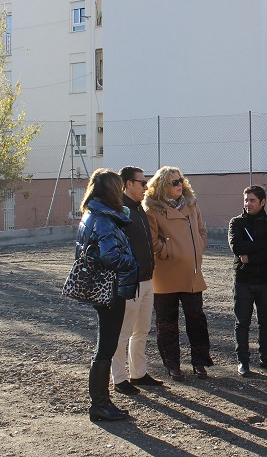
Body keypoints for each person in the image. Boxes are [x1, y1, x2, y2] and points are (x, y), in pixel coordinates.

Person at [75, 168, 139, 421]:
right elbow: (110, 257)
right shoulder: (103, 219)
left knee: (106, 346)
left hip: (106, 288)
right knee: (106, 348)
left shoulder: (93, 215)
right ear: (113, 190)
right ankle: (99, 404)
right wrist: (132, 262)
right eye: (120, 188)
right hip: (110, 289)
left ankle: (101, 402)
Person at [143, 166, 213, 380]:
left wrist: (198, 247)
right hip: (166, 273)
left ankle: (200, 361)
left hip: (191, 272)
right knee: (167, 322)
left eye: (180, 180)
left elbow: (201, 229)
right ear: (163, 184)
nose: (179, 184)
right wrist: (169, 251)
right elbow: (152, 240)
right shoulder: (152, 209)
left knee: (196, 319)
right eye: (174, 182)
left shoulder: (191, 204)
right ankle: (172, 364)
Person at [110, 166, 164, 395]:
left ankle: (138, 373)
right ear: (128, 184)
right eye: (142, 183)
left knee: (142, 329)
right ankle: (119, 378)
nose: (146, 186)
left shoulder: (139, 209)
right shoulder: (119, 211)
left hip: (146, 279)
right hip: (129, 282)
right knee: (123, 332)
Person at [228, 185, 267, 377]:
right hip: (243, 281)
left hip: (266, 280)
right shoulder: (236, 223)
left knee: (265, 321)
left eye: (252, 200)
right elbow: (237, 247)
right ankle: (243, 361)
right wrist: (263, 246)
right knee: (242, 322)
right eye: (246, 200)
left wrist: (251, 256)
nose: (248, 204)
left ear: (262, 202)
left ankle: (265, 358)